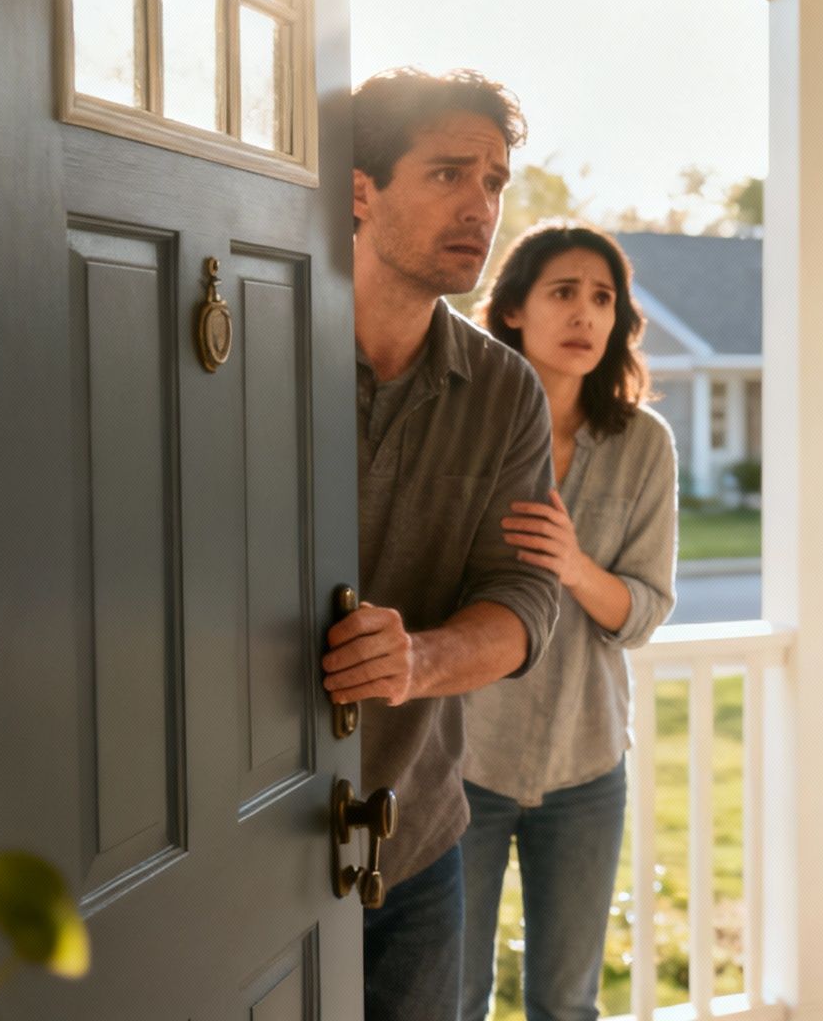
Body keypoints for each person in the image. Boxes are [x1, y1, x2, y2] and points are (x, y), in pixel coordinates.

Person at [324, 66, 561, 1021]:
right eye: (448, 174)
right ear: (359, 188)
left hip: (411, 840)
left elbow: (525, 602)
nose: (480, 205)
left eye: (495, 182)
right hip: (245, 839)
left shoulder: (507, 392)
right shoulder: (254, 351)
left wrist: (416, 660)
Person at [458, 222, 680, 1021]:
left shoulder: (645, 444)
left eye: (602, 298)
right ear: (513, 308)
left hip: (586, 765)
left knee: (566, 1003)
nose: (586, 314)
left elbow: (645, 611)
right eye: (563, 293)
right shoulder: (465, 427)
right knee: (455, 998)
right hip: (463, 759)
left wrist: (575, 564)